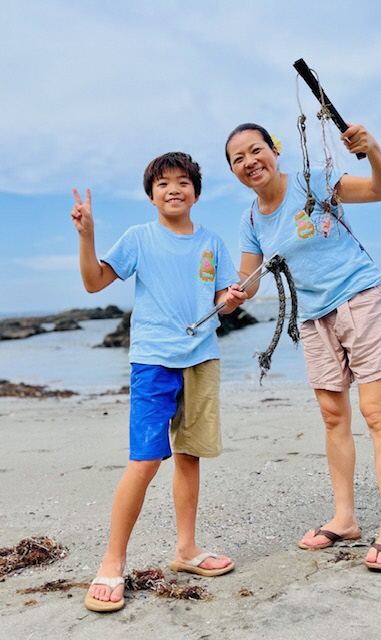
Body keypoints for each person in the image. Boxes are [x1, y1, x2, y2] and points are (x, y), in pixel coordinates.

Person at [225, 122, 381, 571]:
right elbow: (249, 283)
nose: (250, 161)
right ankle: (345, 518)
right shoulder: (251, 219)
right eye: (238, 158)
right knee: (333, 417)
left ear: (275, 150)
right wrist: (233, 295)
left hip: (360, 299)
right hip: (313, 319)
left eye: (257, 150)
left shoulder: (312, 182)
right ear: (233, 171)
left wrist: (374, 148)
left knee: (376, 413)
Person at [71, 151, 246, 612]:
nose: (174, 189)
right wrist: (87, 236)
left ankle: (186, 550)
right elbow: (93, 283)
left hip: (203, 358)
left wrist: (230, 297)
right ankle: (111, 561)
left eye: (183, 182)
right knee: (145, 461)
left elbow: (225, 301)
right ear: (151, 195)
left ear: (196, 192)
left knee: (189, 456)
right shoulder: (139, 238)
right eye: (164, 183)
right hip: (153, 362)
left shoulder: (211, 242)